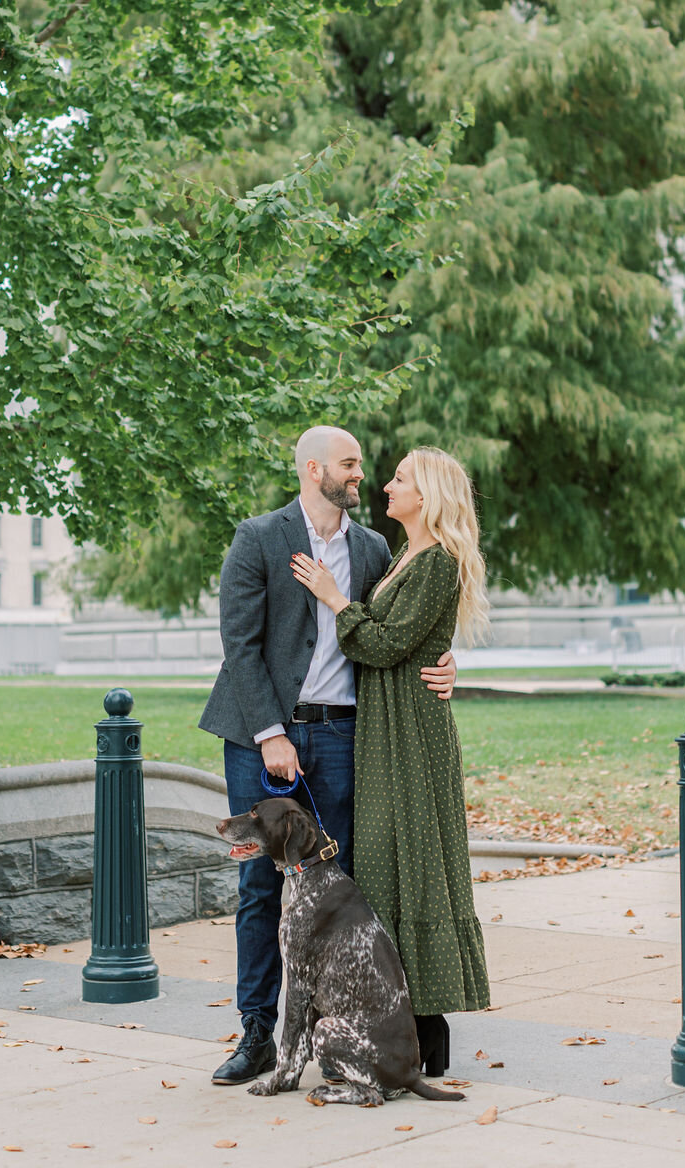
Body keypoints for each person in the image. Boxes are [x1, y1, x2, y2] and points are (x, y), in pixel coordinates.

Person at [199, 425, 457, 1086]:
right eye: (349, 464)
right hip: (264, 737)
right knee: (262, 887)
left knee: (342, 887)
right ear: (315, 470)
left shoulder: (373, 549)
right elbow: (241, 645)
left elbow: (394, 628)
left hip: (345, 737)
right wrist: (269, 733)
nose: (361, 475)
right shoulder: (259, 538)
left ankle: (348, 1031)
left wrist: (445, 661)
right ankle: (258, 1034)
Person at [291, 446, 491, 1075]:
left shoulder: (438, 561)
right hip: (387, 725)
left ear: (427, 494)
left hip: (411, 730)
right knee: (387, 863)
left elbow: (387, 642)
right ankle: (400, 1019)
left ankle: (427, 1026)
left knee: (415, 860)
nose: (386, 484)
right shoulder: (405, 554)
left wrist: (333, 596)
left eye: (400, 478)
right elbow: (407, 638)